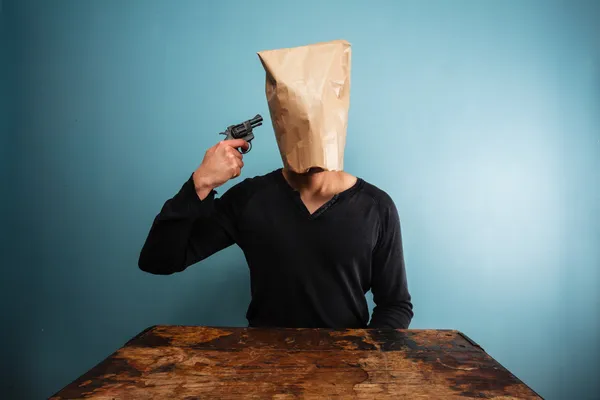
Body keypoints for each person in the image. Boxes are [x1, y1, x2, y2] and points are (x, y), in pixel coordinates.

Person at [138, 39, 413, 329]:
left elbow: (395, 305)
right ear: (279, 120)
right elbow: (159, 261)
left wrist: (364, 358)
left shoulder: (377, 207)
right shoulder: (249, 199)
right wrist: (200, 183)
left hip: (348, 368)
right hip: (262, 364)